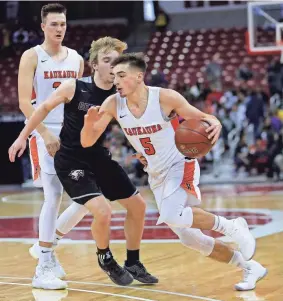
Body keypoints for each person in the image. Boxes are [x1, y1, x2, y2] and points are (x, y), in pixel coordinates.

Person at [80, 53, 267, 291]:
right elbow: (87, 142)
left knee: (171, 213)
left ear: (139, 76)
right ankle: (250, 267)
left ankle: (232, 226)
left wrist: (214, 121)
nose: (115, 80)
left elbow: (203, 118)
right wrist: (88, 126)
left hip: (180, 164)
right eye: (114, 76)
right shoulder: (113, 104)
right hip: (156, 174)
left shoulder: (164, 98)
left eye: (121, 75)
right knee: (191, 239)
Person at [9, 38, 158, 288]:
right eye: (107, 61)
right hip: (70, 159)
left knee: (138, 206)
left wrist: (145, 152)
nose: (113, 67)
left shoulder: (119, 94)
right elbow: (42, 108)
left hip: (97, 156)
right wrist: (22, 137)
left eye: (117, 62)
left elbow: (135, 124)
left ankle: (133, 261)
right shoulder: (74, 87)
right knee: (102, 211)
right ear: (94, 65)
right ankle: (105, 258)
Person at [16, 3, 84, 290]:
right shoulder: (32, 56)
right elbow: (23, 102)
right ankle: (43, 265)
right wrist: (43, 134)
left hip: (72, 135)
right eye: (54, 24)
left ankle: (46, 246)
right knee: (53, 197)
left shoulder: (77, 59)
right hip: (45, 134)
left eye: (63, 24)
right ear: (43, 26)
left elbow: (80, 101)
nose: (59, 29)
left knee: (89, 198)